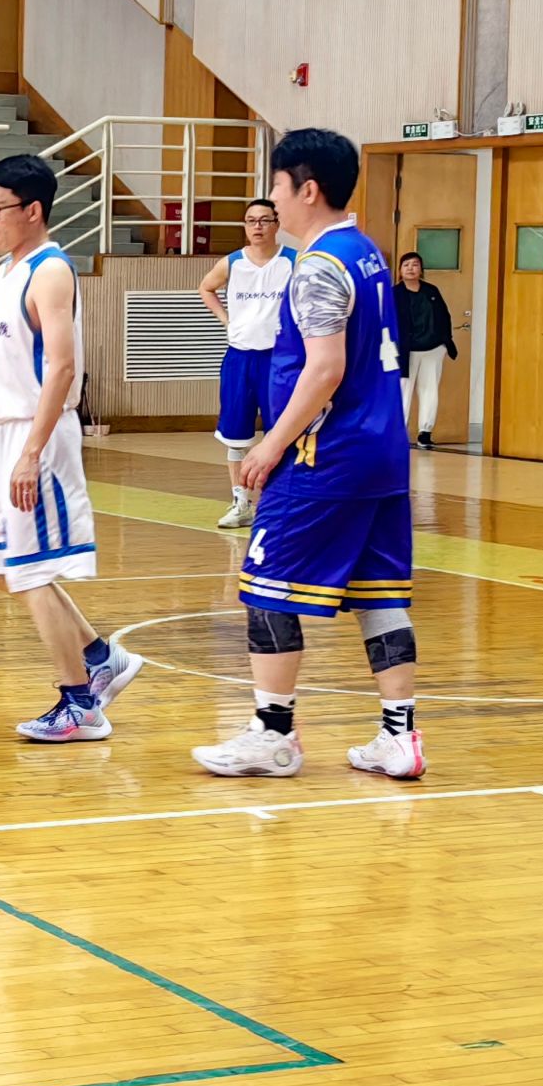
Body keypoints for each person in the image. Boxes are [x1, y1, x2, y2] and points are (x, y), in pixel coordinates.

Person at [192, 128, 425, 782]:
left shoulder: (319, 265)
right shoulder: (367, 252)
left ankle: (273, 736)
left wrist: (270, 445)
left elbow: (324, 368)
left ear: (308, 189)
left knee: (264, 589)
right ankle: (399, 737)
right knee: (378, 593)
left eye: (276, 185)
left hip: (328, 456)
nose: (271, 198)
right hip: (382, 453)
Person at [0, 155, 140, 741]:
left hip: (34, 434)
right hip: (1, 432)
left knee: (29, 570)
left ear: (33, 210)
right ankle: (99, 656)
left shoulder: (50, 271)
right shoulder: (11, 269)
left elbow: (63, 367)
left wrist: (31, 452)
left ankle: (80, 705)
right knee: (1, 568)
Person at [199, 199, 296, 529]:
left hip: (278, 359)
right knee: (235, 434)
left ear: (276, 224)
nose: (258, 226)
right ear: (244, 225)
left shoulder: (293, 262)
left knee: (280, 433)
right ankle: (241, 502)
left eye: (264, 220)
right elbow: (206, 288)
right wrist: (226, 320)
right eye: (251, 220)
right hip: (240, 357)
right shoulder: (232, 263)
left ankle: (276, 503)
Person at [396, 250, 458, 448]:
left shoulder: (431, 291)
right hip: (406, 351)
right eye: (406, 265)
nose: (411, 269)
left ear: (421, 269)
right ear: (400, 270)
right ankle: (399, 434)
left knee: (429, 390)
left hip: (432, 349)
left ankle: (425, 432)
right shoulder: (394, 294)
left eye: (415, 265)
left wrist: (445, 342)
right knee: (403, 392)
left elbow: (444, 316)